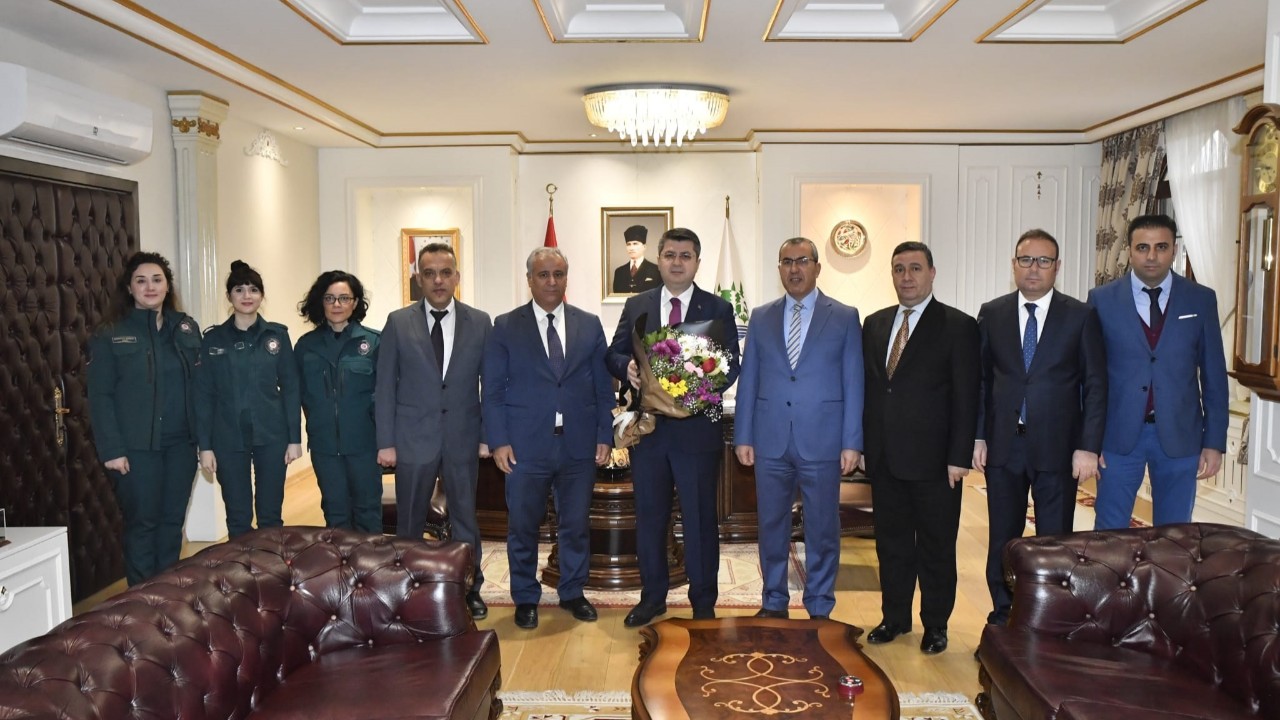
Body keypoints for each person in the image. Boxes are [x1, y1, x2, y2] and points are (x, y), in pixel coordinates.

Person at [606, 227, 741, 627]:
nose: (677, 262)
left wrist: (696, 389)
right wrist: (627, 367)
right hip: (650, 432)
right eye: (670, 255)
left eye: (685, 256)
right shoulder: (638, 304)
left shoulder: (717, 307)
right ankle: (653, 598)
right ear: (659, 259)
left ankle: (703, 602)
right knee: (650, 519)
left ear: (697, 262)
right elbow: (613, 353)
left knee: (700, 521)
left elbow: (731, 363)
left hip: (697, 432)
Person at [974, 229, 1107, 627]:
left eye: (1043, 261)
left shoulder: (1080, 316)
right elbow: (981, 381)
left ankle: (1049, 618)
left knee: (1055, 541)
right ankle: (1003, 615)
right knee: (1003, 538)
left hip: (1058, 447)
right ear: (1014, 264)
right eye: (1026, 260)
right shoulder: (992, 313)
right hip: (1003, 445)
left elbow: (1096, 384)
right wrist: (978, 435)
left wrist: (1088, 446)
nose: (1034, 268)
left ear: (1057, 267)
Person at [482, 247, 614, 629]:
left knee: (575, 525)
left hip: (578, 444)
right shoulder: (505, 326)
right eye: (543, 275)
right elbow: (492, 390)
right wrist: (498, 441)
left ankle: (572, 591)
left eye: (558, 274)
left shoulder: (589, 324)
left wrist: (604, 434)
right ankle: (525, 596)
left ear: (566, 277)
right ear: (529, 280)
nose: (552, 281)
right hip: (524, 446)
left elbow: (604, 387)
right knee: (523, 527)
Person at [733, 237, 863, 621]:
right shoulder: (761, 317)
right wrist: (743, 435)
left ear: (817, 267)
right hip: (770, 440)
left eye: (802, 261)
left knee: (822, 529)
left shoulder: (844, 316)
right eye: (787, 261)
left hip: (823, 440)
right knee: (771, 526)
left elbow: (854, 381)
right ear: (779, 269)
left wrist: (852, 442)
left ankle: (820, 605)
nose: (794, 268)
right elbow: (749, 379)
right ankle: (773, 601)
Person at [861, 241, 979, 654]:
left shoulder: (959, 326)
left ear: (932, 273)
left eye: (915, 268)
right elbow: (871, 391)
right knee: (891, 545)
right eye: (899, 269)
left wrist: (959, 457)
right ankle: (894, 618)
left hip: (936, 463)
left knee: (935, 547)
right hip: (884, 458)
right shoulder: (874, 324)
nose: (906, 276)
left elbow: (967, 397)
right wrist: (864, 447)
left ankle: (936, 624)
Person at [1088, 214, 1228, 528]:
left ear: (1174, 250)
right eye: (1143, 247)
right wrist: (1088, 440)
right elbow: (1090, 377)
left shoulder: (1201, 299)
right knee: (1109, 533)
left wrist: (1214, 441)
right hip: (1117, 436)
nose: (1151, 256)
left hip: (1181, 437)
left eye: (1161, 247)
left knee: (1175, 535)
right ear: (1129, 251)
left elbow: (1214, 376)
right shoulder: (1101, 300)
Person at [376, 242, 492, 619]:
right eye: (429, 274)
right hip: (413, 438)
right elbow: (384, 386)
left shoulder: (480, 321)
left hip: (463, 435)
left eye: (445, 273)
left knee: (465, 518)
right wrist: (386, 442)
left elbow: (490, 385)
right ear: (418, 279)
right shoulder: (398, 322)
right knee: (409, 520)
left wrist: (487, 436)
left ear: (457, 276)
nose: (438, 280)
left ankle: (468, 588)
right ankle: (407, 589)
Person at [87, 251, 202, 585]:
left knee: (171, 524)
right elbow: (100, 396)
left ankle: (166, 596)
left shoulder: (185, 328)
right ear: (129, 288)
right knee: (143, 524)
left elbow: (201, 386)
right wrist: (112, 449)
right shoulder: (110, 334)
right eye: (141, 281)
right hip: (136, 450)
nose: (150, 287)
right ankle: (141, 602)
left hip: (181, 446)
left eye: (157, 280)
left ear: (167, 286)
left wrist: (205, 440)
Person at [195, 261, 302, 539]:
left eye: (253, 289)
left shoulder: (277, 336)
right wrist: (205, 446)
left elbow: (291, 388)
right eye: (239, 290)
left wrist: (294, 439)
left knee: (270, 515)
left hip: (272, 435)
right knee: (238, 516)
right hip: (227, 437)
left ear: (262, 296)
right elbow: (204, 395)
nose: (247, 296)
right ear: (229, 296)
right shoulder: (213, 340)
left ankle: (270, 564)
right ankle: (241, 566)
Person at [295, 270, 382, 533]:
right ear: (320, 302)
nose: (336, 304)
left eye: (344, 298)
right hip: (325, 447)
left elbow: (385, 396)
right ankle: (341, 561)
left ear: (355, 303)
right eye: (329, 298)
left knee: (367, 511)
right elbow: (300, 396)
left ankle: (369, 560)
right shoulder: (306, 346)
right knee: (335, 512)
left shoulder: (374, 342)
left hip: (365, 445)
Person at [611, 224, 663, 294]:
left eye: (635, 244)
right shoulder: (619, 272)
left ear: (644, 247)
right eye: (628, 244)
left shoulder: (656, 271)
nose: (631, 248)